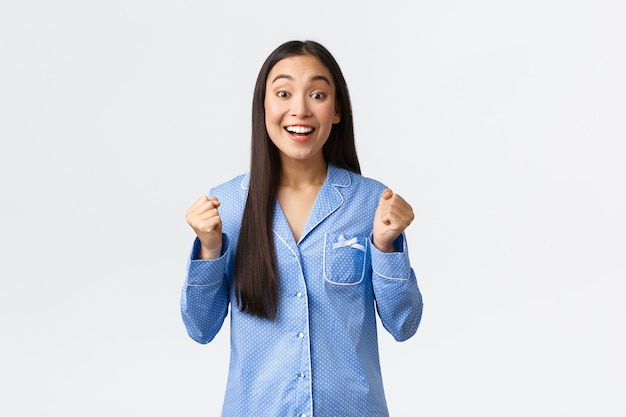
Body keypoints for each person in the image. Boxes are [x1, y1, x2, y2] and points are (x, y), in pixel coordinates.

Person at [181, 40, 423, 417]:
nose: (300, 109)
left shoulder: (371, 203)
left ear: (337, 110)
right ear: (263, 106)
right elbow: (200, 328)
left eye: (317, 94)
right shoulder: (225, 205)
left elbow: (404, 323)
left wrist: (386, 246)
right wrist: (210, 248)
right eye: (283, 92)